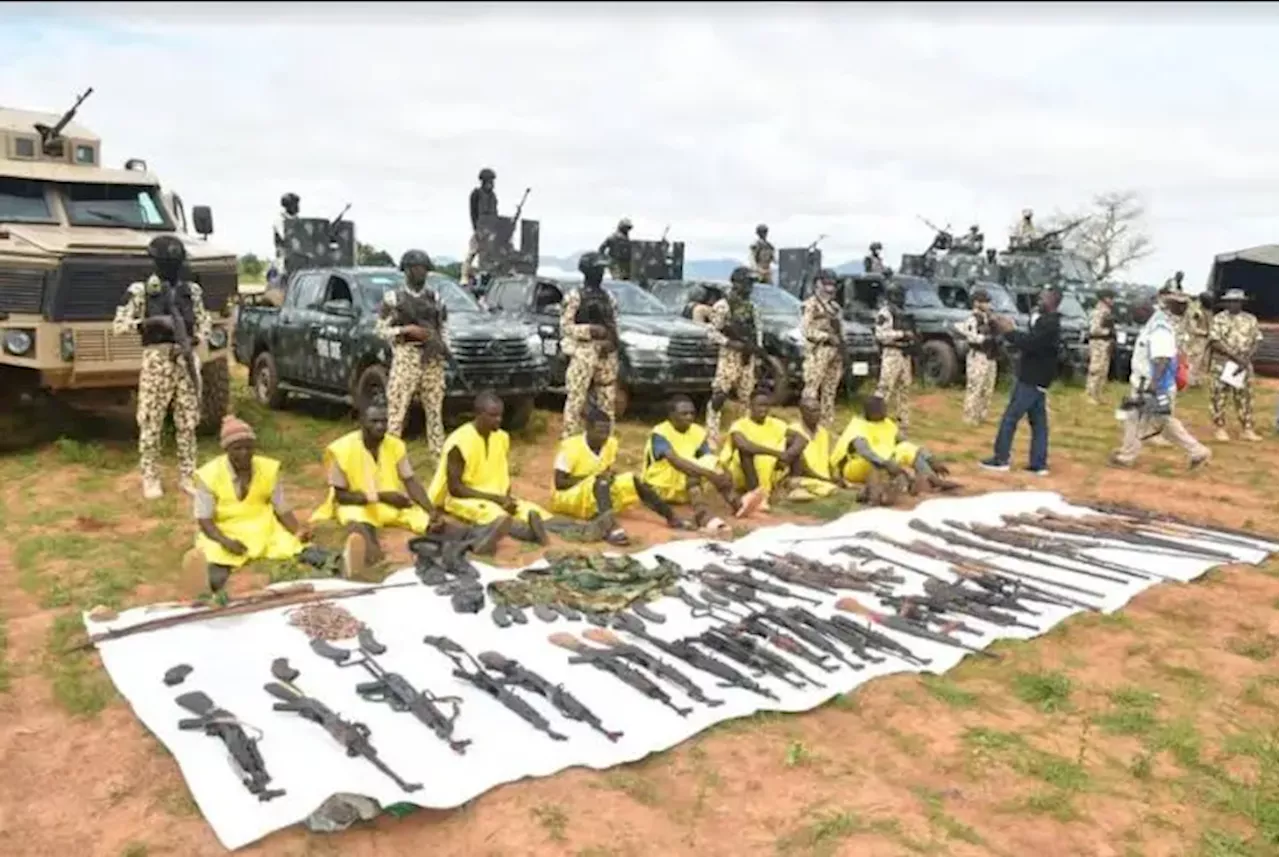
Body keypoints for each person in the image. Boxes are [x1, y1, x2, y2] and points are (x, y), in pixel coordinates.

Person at [181, 416, 346, 595]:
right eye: (237, 448)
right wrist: (225, 541)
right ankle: (204, 587)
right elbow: (205, 520)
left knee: (294, 546)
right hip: (225, 529)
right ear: (226, 450)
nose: (244, 453)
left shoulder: (268, 468)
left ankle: (341, 563)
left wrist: (297, 530)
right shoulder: (208, 474)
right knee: (217, 557)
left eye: (249, 447)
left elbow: (281, 508)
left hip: (263, 526)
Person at [112, 234, 213, 500]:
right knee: (150, 422)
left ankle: (188, 475)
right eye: (166, 262)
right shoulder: (140, 291)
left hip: (186, 358)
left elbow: (205, 324)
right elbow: (119, 326)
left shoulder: (192, 291)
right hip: (157, 361)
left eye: (176, 262)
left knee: (188, 421)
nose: (172, 267)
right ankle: (150, 476)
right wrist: (152, 323)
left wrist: (193, 340)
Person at [311, 403, 444, 570]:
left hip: (392, 506)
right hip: (358, 505)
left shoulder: (395, 445)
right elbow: (342, 496)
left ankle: (469, 541)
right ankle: (372, 559)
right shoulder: (342, 448)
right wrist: (382, 497)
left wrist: (431, 511)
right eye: (374, 421)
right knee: (358, 524)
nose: (380, 426)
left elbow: (410, 481)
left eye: (384, 421)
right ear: (361, 421)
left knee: (431, 523)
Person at [428, 392, 550, 549]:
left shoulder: (501, 438)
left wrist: (505, 498)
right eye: (493, 416)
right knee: (494, 514)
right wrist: (498, 500)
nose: (498, 420)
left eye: (500, 415)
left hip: (494, 496)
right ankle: (529, 534)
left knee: (531, 509)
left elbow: (501, 474)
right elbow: (455, 489)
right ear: (478, 414)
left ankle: (577, 529)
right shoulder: (458, 442)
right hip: (462, 498)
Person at [550, 408, 686, 545]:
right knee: (602, 482)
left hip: (594, 492)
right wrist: (594, 477)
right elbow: (560, 483)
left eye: (607, 432)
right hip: (568, 497)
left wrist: (607, 477)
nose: (604, 437)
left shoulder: (611, 444)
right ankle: (610, 528)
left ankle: (671, 516)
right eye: (600, 432)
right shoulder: (569, 447)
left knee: (632, 480)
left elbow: (604, 470)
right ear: (588, 428)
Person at [1108, 292, 1210, 471]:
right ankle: (1128, 452)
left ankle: (1197, 451)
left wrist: (1153, 386)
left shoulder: (1159, 328)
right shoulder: (1153, 324)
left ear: (1144, 310)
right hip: (1146, 382)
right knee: (1138, 417)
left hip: (1153, 384)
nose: (1133, 316)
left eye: (1134, 312)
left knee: (1159, 422)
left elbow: (1162, 359)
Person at [980, 287, 1062, 475]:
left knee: (1010, 418)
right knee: (1039, 423)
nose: (1039, 300)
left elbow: (1029, 342)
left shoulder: (1049, 324)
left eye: (1043, 298)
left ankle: (1001, 459)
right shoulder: (1048, 322)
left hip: (1031, 379)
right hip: (1039, 379)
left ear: (1052, 301)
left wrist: (1009, 331)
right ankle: (1038, 464)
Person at [377, 249, 450, 460]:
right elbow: (380, 330)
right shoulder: (393, 299)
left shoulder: (435, 298)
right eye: (417, 268)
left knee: (435, 413)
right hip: (406, 355)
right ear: (407, 270)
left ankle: (440, 463)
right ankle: (388, 462)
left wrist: (443, 347)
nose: (422, 273)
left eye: (425, 269)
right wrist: (406, 330)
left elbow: (444, 328)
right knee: (396, 414)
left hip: (432, 359)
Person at [832, 396, 957, 506]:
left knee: (906, 449)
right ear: (869, 412)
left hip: (885, 461)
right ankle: (883, 491)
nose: (885, 412)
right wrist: (887, 463)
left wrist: (929, 458)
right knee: (875, 463)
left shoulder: (887, 423)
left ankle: (931, 478)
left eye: (885, 408)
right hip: (856, 467)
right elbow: (865, 453)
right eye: (881, 410)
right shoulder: (857, 426)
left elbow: (905, 442)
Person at [642, 395, 737, 535]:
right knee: (690, 467)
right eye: (684, 414)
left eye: (692, 413)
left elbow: (708, 458)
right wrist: (709, 474)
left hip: (685, 486)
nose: (689, 417)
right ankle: (703, 515)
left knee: (711, 461)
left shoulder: (697, 431)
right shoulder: (660, 433)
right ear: (671, 415)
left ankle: (735, 502)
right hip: (661, 487)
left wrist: (723, 472)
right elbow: (676, 462)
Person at [560, 252, 620, 437]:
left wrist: (610, 340)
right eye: (597, 270)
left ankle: (605, 439)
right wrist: (590, 330)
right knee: (576, 398)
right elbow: (565, 327)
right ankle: (570, 438)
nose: (600, 274)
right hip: (583, 351)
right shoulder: (574, 296)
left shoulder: (609, 297)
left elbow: (614, 323)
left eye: (602, 270)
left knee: (607, 399)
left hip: (606, 353)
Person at [705, 266, 762, 448]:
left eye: (751, 284)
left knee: (746, 398)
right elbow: (711, 332)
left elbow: (757, 332)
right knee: (719, 396)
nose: (749, 287)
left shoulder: (753, 307)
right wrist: (729, 343)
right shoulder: (723, 306)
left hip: (748, 357)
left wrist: (757, 354)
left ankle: (741, 436)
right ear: (736, 283)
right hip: (729, 356)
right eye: (747, 283)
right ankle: (712, 438)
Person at [718, 390, 791, 517]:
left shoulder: (778, 424)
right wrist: (776, 453)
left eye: (766, 405)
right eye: (759, 405)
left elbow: (797, 438)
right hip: (742, 472)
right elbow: (743, 445)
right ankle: (756, 495)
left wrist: (787, 455)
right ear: (750, 407)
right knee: (746, 452)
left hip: (772, 470)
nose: (763, 409)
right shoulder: (739, 425)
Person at [1207, 288, 1263, 442]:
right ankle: (1219, 427)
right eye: (1231, 301)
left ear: (1242, 303)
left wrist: (1245, 359)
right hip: (1223, 363)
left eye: (1237, 302)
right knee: (1219, 396)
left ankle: (1247, 428)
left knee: (1245, 397)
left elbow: (1256, 340)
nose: (1234, 304)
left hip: (1243, 364)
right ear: (1226, 303)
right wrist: (1235, 358)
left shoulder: (1250, 319)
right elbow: (1214, 342)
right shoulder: (1219, 319)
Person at [778, 396, 846, 501]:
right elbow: (802, 465)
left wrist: (834, 475)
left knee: (834, 487)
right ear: (802, 413)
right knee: (828, 489)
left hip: (822, 478)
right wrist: (826, 479)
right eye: (813, 411)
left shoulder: (823, 432)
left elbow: (827, 459)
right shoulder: (793, 431)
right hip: (804, 476)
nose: (817, 414)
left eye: (818, 410)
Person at [800, 270, 844, 429]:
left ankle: (826, 425)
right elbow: (805, 330)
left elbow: (840, 329)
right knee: (812, 389)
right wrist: (825, 336)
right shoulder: (810, 305)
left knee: (830, 390)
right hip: (817, 351)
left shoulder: (835, 306)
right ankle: (806, 424)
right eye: (826, 283)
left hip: (835, 352)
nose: (829, 287)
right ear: (818, 284)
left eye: (832, 283)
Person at [873, 281, 916, 433]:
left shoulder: (903, 312)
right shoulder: (885, 313)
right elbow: (881, 335)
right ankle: (874, 421)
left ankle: (902, 424)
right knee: (885, 389)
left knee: (904, 390)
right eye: (900, 295)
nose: (903, 298)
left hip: (905, 354)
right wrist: (902, 335)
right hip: (892, 353)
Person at [954, 288, 1000, 425]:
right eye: (984, 302)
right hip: (978, 356)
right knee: (975, 386)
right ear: (976, 303)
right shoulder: (972, 319)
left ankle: (982, 415)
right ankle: (969, 417)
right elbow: (971, 337)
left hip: (990, 355)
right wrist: (986, 339)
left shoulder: (989, 318)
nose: (988, 305)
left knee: (987, 388)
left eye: (987, 302)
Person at [461, 167, 498, 284]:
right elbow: (473, 212)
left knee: (491, 256)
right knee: (472, 252)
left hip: (491, 229)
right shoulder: (476, 193)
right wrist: (476, 229)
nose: (492, 184)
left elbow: (495, 213)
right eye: (490, 181)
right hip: (480, 228)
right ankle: (464, 277)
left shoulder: (493, 196)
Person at [1085, 289, 1117, 405]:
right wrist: (1107, 332)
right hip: (1098, 342)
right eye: (1110, 298)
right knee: (1096, 369)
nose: (1113, 301)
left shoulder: (1107, 311)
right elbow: (1094, 329)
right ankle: (1090, 394)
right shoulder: (1099, 312)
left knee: (1103, 370)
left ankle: (1098, 394)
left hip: (1105, 343)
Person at [1183, 291, 1213, 388]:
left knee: (1204, 362)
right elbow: (1192, 328)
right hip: (1198, 340)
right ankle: (1190, 381)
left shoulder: (1209, 311)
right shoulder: (1197, 313)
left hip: (1207, 340)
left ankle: (1198, 380)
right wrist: (1205, 333)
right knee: (1195, 360)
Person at [269, 192, 300, 286]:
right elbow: (286, 236)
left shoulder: (296, 219)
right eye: (295, 204)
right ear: (288, 206)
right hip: (284, 259)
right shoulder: (280, 220)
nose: (298, 207)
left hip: (298, 257)